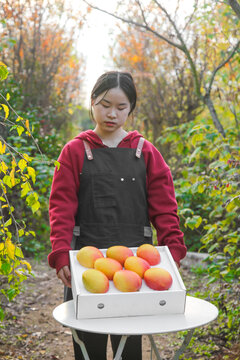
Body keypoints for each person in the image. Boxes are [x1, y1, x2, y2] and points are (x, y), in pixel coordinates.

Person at [48, 71, 187, 360]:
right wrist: (61, 252)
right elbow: (61, 207)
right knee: (88, 346)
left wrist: (172, 248)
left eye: (121, 107)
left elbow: (164, 207)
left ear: (131, 109)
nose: (111, 114)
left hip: (135, 265)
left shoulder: (145, 152)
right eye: (104, 104)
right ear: (92, 102)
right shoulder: (74, 151)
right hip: (85, 266)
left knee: (129, 347)